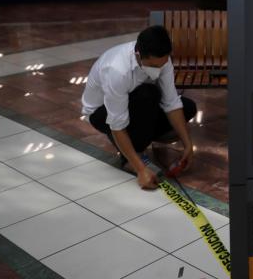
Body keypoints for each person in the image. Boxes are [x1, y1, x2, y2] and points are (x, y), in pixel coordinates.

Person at [81, 25, 196, 189]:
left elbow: (171, 102)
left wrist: (188, 144)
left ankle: (143, 136)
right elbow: (117, 124)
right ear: (138, 55)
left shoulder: (162, 59)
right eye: (154, 66)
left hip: (138, 104)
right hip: (101, 114)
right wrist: (140, 169)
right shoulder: (116, 70)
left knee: (188, 107)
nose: (159, 70)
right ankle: (130, 157)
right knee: (147, 94)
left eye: (162, 65)